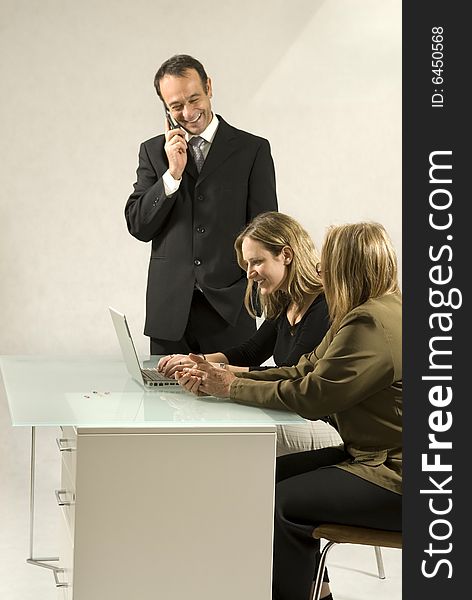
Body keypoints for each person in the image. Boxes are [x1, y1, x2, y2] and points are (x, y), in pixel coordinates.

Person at [176, 222, 402, 600]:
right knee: (258, 478)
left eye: (326, 263)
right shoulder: (365, 312)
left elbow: (313, 395)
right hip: (372, 457)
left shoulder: (368, 323)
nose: (319, 271)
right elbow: (303, 369)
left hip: (396, 473)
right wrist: (224, 376)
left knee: (281, 501)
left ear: (345, 266)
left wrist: (230, 387)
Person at [125, 54, 278, 355]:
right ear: (165, 109)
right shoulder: (154, 152)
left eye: (194, 98)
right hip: (169, 314)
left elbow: (267, 230)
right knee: (164, 400)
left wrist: (261, 295)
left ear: (208, 87)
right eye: (176, 106)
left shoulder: (252, 150)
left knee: (230, 399)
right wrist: (172, 175)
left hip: (231, 310)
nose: (188, 112)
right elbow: (138, 225)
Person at [157, 211, 341, 455]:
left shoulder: (324, 306)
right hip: (292, 415)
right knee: (210, 412)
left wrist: (218, 375)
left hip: (324, 425)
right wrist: (196, 361)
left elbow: (289, 375)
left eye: (256, 262)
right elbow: (251, 351)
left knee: (224, 425)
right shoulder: (288, 302)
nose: (249, 274)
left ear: (285, 255)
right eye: (247, 264)